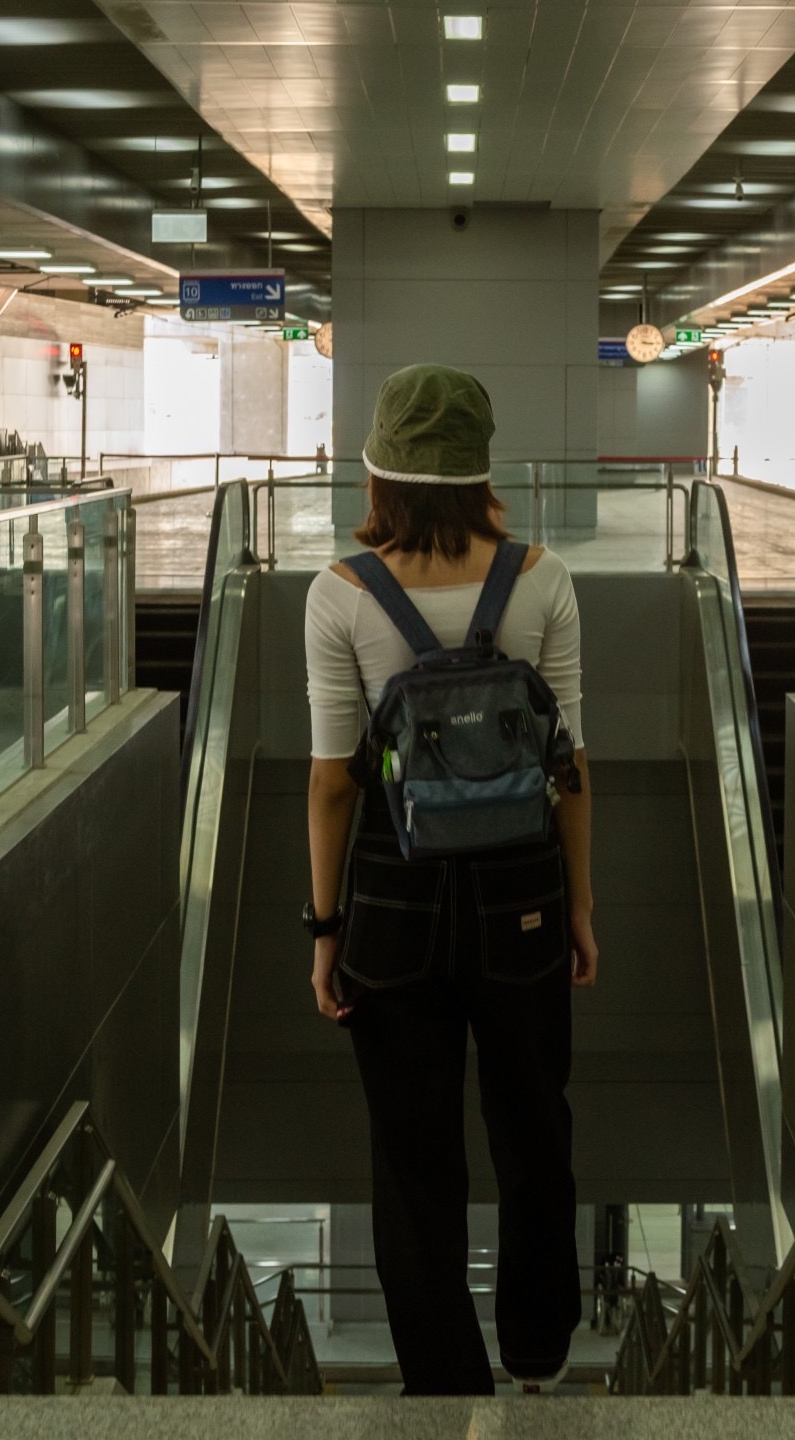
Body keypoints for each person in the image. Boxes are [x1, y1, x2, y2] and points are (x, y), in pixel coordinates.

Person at [303, 364, 597, 1395]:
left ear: (379, 471)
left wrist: (325, 927)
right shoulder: (541, 577)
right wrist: (581, 907)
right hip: (520, 897)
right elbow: (567, 766)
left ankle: (443, 1380)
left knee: (412, 1153)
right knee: (532, 1125)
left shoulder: (340, 593)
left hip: (392, 907)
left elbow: (334, 781)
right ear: (482, 471)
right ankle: (539, 1350)